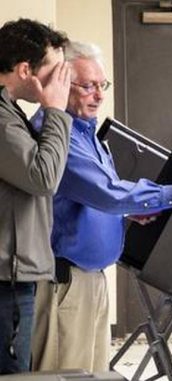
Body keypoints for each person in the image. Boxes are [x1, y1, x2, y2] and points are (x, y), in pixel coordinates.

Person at [30, 41, 172, 372]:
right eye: (87, 85)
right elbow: (109, 193)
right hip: (66, 283)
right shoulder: (58, 136)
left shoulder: (89, 136)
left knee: (94, 374)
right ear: (61, 83)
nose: (98, 95)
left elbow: (90, 197)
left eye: (102, 85)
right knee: (64, 375)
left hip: (91, 280)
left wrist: (129, 210)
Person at [0, 19, 72, 374]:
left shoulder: (11, 114)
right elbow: (43, 177)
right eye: (56, 72)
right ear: (25, 69)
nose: (63, 83)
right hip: (6, 282)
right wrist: (56, 111)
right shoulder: (2, 120)